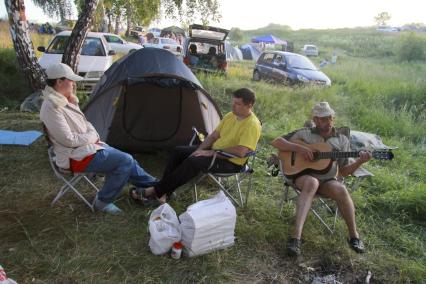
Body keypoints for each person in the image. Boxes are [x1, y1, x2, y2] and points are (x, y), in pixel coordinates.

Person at [40, 63, 158, 214]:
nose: (74, 83)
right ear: (59, 81)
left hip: (87, 149)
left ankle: (158, 187)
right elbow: (68, 140)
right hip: (74, 157)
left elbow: (87, 124)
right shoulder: (51, 106)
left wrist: (91, 135)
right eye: (71, 80)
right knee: (124, 161)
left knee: (128, 161)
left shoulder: (66, 100)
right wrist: (92, 137)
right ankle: (102, 202)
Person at [271, 102, 371, 256]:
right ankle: (295, 238)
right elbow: (276, 142)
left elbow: (343, 171)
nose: (328, 121)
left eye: (330, 118)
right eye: (323, 119)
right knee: (312, 182)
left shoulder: (342, 140)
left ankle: (354, 236)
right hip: (302, 176)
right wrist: (301, 148)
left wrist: (359, 162)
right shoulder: (304, 133)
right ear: (315, 120)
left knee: (341, 189)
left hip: (328, 180)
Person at [131, 88, 262, 204]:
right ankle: (164, 193)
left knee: (193, 161)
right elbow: (213, 136)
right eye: (233, 102)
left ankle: (154, 191)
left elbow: (241, 151)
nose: (233, 106)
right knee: (179, 152)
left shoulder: (252, 124)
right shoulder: (231, 116)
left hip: (231, 161)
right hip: (215, 151)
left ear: (249, 105)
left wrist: (212, 153)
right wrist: (199, 150)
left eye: (237, 104)